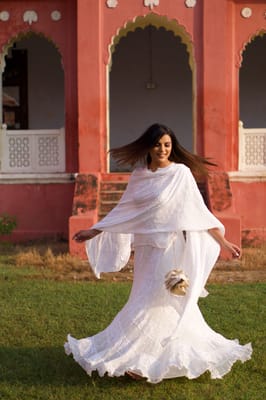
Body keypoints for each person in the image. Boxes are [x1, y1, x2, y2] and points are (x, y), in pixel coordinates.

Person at [65, 123, 252, 383]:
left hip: (170, 249)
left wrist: (224, 242)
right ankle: (139, 355)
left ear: (172, 147)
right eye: (157, 145)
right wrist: (94, 231)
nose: (162, 149)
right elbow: (124, 211)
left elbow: (198, 213)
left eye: (167, 145)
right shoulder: (139, 175)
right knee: (142, 298)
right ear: (148, 147)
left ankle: (146, 362)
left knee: (161, 300)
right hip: (145, 250)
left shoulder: (181, 174)